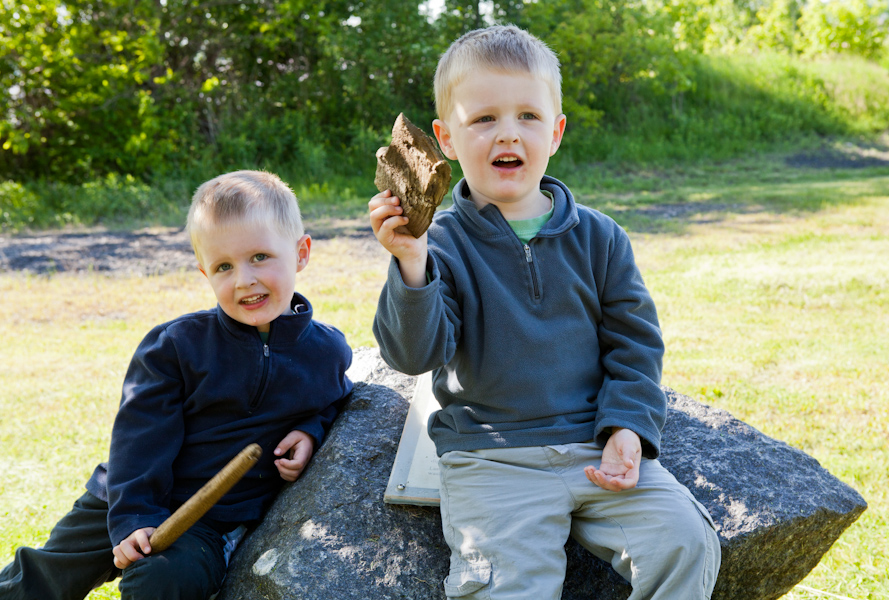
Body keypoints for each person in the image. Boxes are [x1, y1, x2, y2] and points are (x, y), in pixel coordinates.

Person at [369, 25, 721, 600]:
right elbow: (413, 355)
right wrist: (411, 264)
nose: (508, 132)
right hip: (492, 458)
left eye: (528, 116)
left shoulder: (600, 238)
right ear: (445, 139)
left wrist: (628, 427)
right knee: (506, 587)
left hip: (593, 446)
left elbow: (635, 346)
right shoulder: (442, 243)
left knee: (686, 542)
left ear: (555, 132)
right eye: (483, 119)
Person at [0, 170, 354, 600]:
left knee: (164, 580)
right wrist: (132, 518)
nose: (244, 279)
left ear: (301, 253)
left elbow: (337, 397)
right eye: (224, 266)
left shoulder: (325, 352)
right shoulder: (176, 346)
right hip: (126, 493)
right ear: (204, 271)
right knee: (47, 574)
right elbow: (139, 438)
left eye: (260, 256)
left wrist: (311, 430)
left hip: (207, 517)